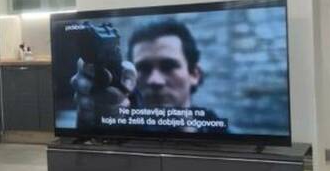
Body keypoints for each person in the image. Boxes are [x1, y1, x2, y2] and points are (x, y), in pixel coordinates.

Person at [71, 19, 219, 131]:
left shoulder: (217, 130)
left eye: (169, 66)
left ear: (194, 74)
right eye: (143, 68)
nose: (155, 80)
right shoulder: (125, 125)